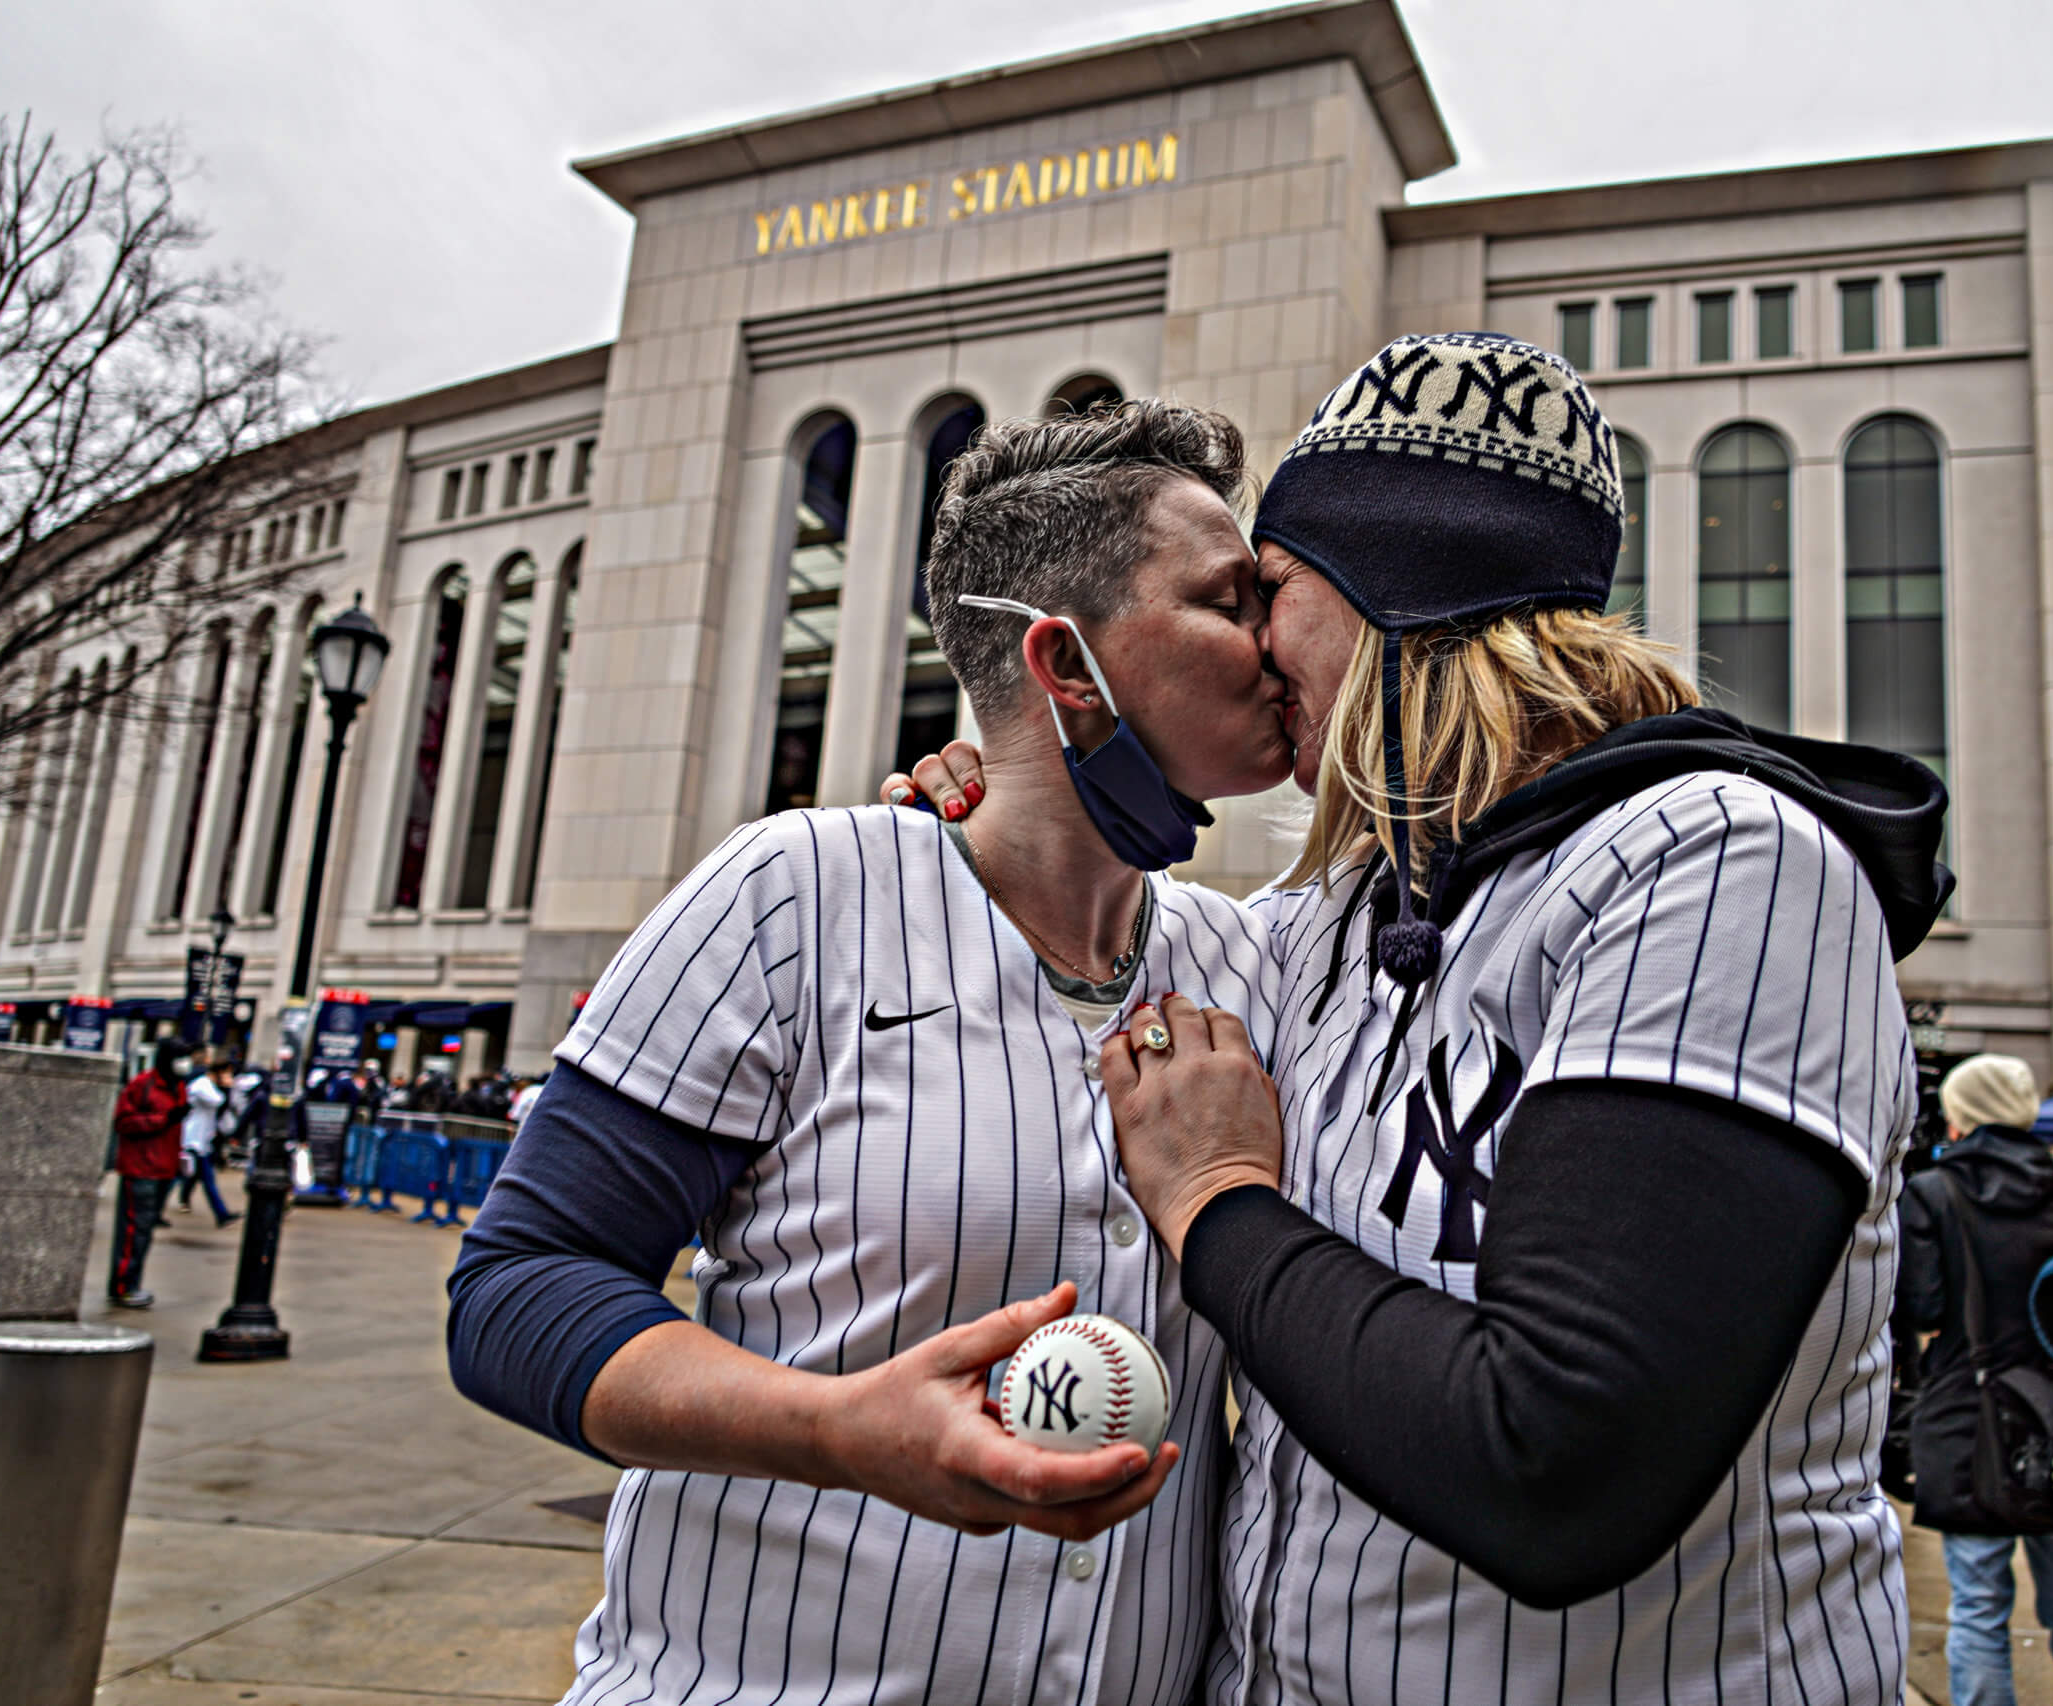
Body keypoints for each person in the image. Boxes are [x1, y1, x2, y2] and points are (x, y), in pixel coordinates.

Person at [904, 334, 1951, 1701]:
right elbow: (1101, 954)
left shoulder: (1723, 862)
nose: (1260, 641)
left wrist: (1219, 1199)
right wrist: (997, 813)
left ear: (1387, 592)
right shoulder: (1331, 920)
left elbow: (1557, 1465)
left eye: (1272, 590)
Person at [447, 399, 1302, 1706]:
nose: (1275, 640)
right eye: (1229, 599)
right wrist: (841, 1429)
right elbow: (519, 1287)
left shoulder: (1257, 962)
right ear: (1067, 667)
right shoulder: (794, 894)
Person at [1892, 1054, 2053, 1706]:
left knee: (1979, 1607)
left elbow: (1924, 1307)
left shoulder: (1934, 1191)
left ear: (1963, 1113)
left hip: (1973, 1416)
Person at [108, 1036, 200, 1307]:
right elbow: (124, 1123)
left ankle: (130, 1283)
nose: (185, 1064)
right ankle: (124, 1285)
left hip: (164, 1168)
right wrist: (162, 1120)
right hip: (141, 1168)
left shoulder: (178, 1087)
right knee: (133, 1232)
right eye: (181, 1058)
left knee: (144, 1231)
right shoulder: (143, 1085)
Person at [174, 1058, 240, 1227]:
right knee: (195, 1179)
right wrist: (226, 1087)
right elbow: (217, 1101)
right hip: (192, 1140)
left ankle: (220, 1214)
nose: (229, 1077)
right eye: (226, 1073)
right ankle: (221, 1214)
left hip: (202, 1141)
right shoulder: (202, 1085)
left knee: (191, 1177)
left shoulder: (208, 1085)